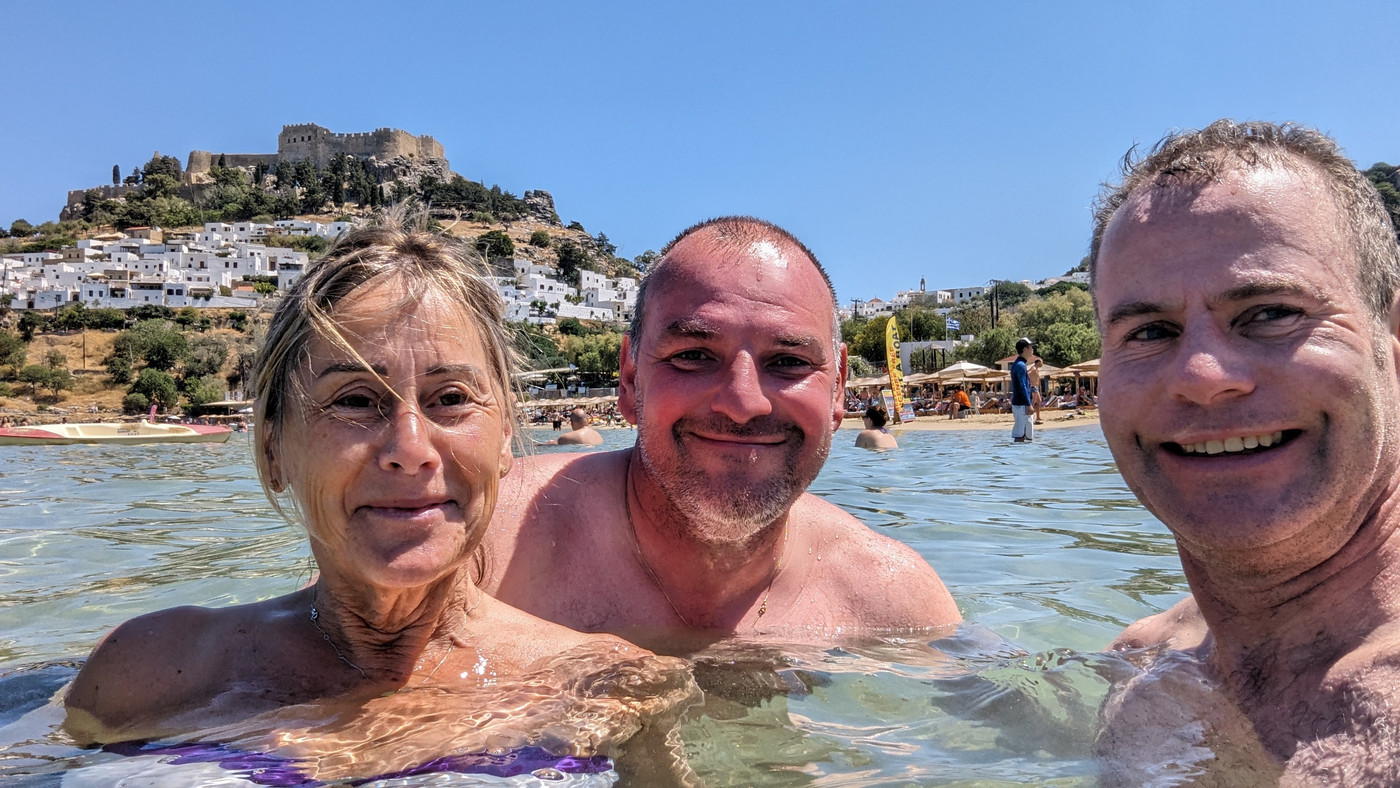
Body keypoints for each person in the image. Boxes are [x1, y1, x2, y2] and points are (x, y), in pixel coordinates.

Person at [63, 222, 691, 780]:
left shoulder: (613, 687)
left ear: (505, 438)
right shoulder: (144, 673)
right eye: (355, 400)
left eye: (450, 399)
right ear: (273, 446)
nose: (410, 448)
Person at [481, 217, 960, 648]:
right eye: (693, 356)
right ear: (629, 379)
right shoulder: (481, 547)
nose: (743, 403)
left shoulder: (896, 607)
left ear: (838, 390)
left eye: (789, 362)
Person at [1090, 120, 1400, 782]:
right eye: (1149, 331)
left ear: (1392, 348)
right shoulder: (1140, 663)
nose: (1202, 376)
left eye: (1269, 312)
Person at [1009, 338, 1034, 442]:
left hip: (1019, 404)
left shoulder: (1019, 364)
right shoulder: (1020, 365)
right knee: (1022, 435)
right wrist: (1028, 404)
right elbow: (1022, 386)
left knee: (1023, 434)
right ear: (1025, 349)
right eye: (1031, 347)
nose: (1032, 349)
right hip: (1022, 405)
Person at [1029, 358, 1044, 424]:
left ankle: (1038, 417)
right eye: (1041, 362)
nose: (1042, 364)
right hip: (1033, 386)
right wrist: (1030, 382)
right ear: (1038, 362)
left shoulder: (1036, 369)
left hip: (1036, 387)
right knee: (1033, 402)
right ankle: (1029, 416)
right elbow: (1028, 373)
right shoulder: (1034, 368)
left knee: (1039, 401)